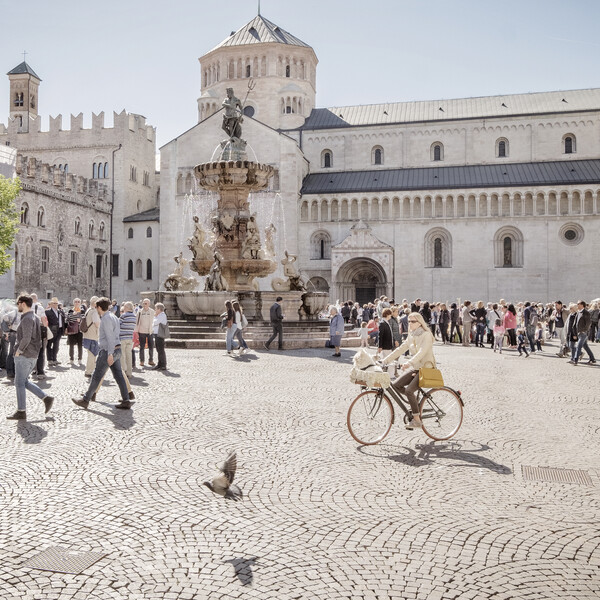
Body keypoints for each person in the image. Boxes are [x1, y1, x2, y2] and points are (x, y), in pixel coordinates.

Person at [72, 297, 132, 410]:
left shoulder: (106, 319)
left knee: (96, 375)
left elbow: (110, 337)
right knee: (119, 375)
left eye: (97, 308)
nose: (96, 310)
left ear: (99, 307)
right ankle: (126, 400)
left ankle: (85, 400)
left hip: (108, 350)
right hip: (116, 348)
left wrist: (110, 353)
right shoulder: (113, 316)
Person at [381, 312, 437, 430]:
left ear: (419, 322)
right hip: (416, 368)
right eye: (408, 321)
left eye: (412, 322)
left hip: (426, 368)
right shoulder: (411, 335)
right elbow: (401, 348)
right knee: (396, 385)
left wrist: (409, 363)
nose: (409, 324)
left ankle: (416, 420)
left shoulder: (426, 335)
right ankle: (415, 404)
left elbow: (422, 352)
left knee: (409, 390)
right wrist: (384, 361)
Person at [6, 295, 54, 420]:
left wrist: (19, 351)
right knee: (24, 381)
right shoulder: (35, 317)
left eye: (18, 303)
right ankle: (46, 398)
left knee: (19, 383)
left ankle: (21, 411)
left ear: (23, 303)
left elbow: (26, 338)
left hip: (25, 355)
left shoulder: (27, 318)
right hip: (31, 355)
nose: (17, 306)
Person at [82, 296, 101, 378]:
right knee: (92, 354)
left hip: (87, 335)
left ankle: (90, 370)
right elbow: (97, 324)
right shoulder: (94, 312)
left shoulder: (88, 310)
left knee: (91, 354)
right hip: (92, 335)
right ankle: (89, 371)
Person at [30, 293, 48, 380]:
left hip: (28, 331)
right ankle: (40, 372)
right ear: (36, 299)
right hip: (38, 331)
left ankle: (32, 369)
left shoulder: (26, 307)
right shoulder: (40, 308)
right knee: (40, 352)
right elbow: (44, 321)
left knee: (30, 351)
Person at [135, 298, 155, 367]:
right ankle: (142, 361)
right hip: (142, 331)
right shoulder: (139, 312)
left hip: (150, 331)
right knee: (142, 347)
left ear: (149, 304)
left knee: (151, 346)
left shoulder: (152, 311)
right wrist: (136, 331)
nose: (144, 304)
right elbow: (137, 322)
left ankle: (151, 360)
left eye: (145, 303)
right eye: (143, 303)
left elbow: (154, 321)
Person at [45, 297, 65, 366]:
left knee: (56, 345)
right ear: (51, 304)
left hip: (59, 330)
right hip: (51, 330)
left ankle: (54, 359)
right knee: (49, 345)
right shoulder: (47, 311)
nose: (55, 304)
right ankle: (49, 359)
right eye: (54, 303)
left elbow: (63, 320)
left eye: (56, 303)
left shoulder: (60, 311)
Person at [119, 302, 137, 378]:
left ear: (127, 308)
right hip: (130, 338)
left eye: (125, 307)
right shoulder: (134, 316)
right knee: (129, 356)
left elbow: (118, 324)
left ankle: (123, 372)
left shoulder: (123, 316)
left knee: (122, 355)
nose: (124, 308)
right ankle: (129, 373)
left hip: (122, 337)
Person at [66, 298, 85, 364]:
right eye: (75, 302)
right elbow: (67, 319)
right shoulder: (70, 311)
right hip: (72, 330)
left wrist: (80, 320)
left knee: (80, 345)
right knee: (71, 345)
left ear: (80, 303)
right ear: (73, 303)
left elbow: (84, 319)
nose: (77, 303)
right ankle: (71, 359)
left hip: (79, 331)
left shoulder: (82, 311)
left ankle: (80, 359)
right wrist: (72, 315)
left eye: (78, 302)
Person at [152, 302, 168, 370]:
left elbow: (155, 322)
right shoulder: (159, 315)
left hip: (160, 334)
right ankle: (159, 364)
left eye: (156, 308)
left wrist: (154, 317)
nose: (155, 310)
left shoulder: (162, 315)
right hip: (157, 333)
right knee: (158, 349)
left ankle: (163, 365)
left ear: (159, 309)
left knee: (161, 349)